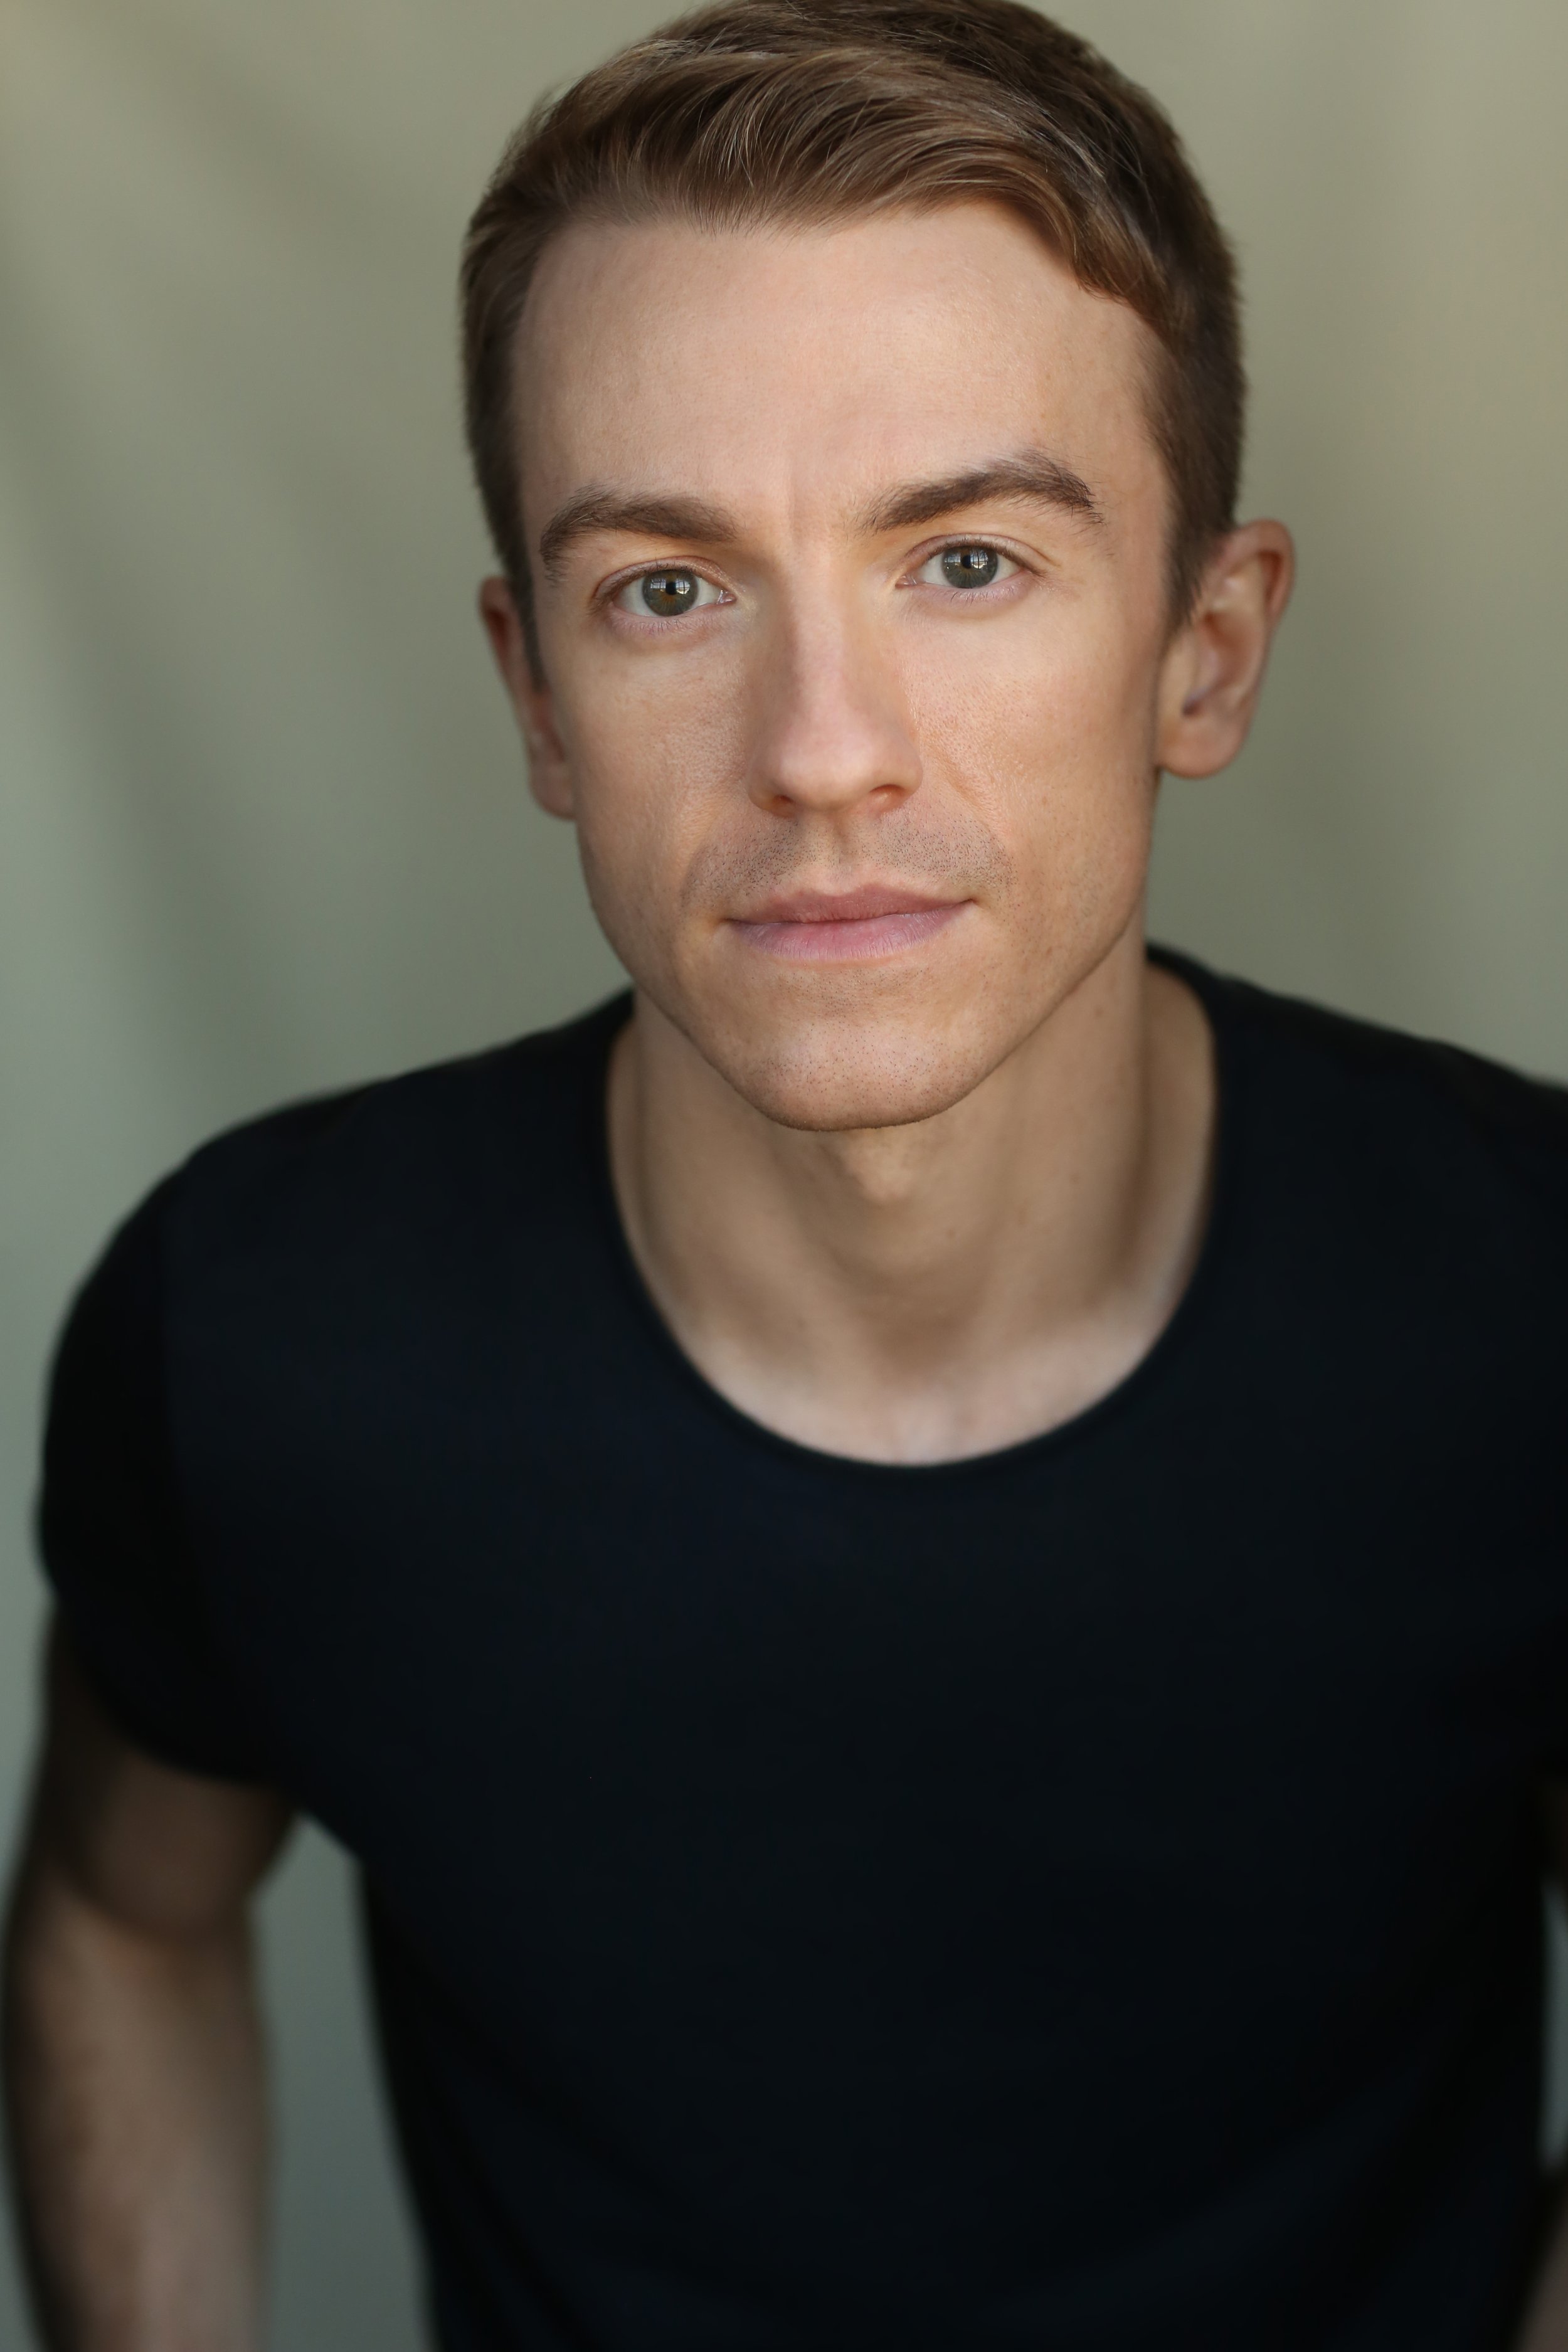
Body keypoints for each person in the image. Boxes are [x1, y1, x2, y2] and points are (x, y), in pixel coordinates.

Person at [4, 0, 1567, 2344]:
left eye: (967, 561)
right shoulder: (262, 1344)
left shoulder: (1530, 1313)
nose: (822, 752)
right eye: (670, 588)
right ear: (538, 696)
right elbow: (125, 1914)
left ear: (1205, 649)